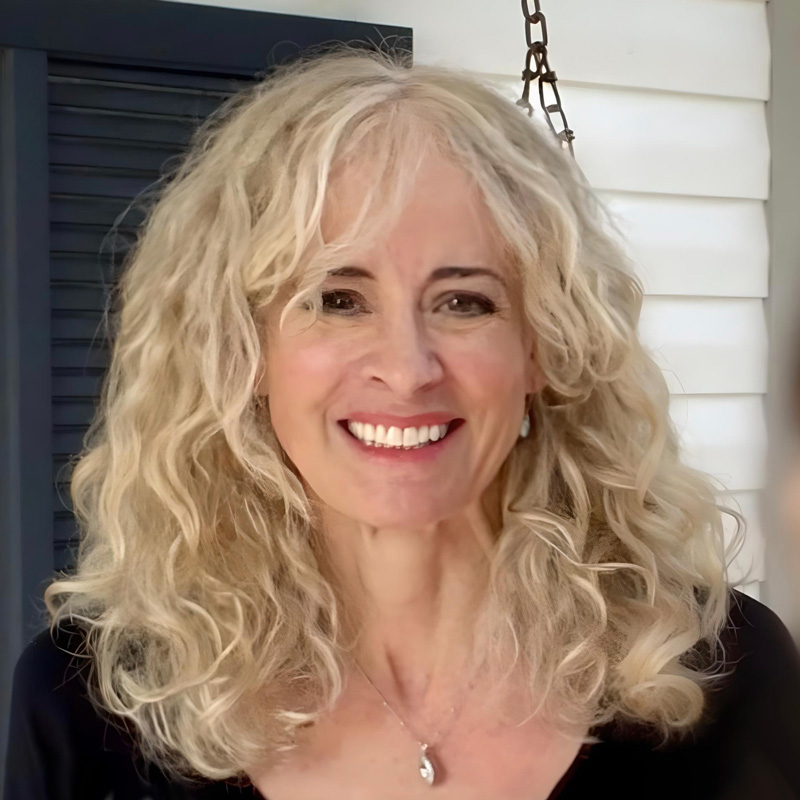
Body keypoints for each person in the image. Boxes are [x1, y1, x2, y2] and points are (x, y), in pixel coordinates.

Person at [5, 44, 800, 800]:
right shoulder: (90, 707)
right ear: (243, 350)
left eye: (464, 302)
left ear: (542, 349)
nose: (408, 367)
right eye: (338, 299)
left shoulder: (717, 673)